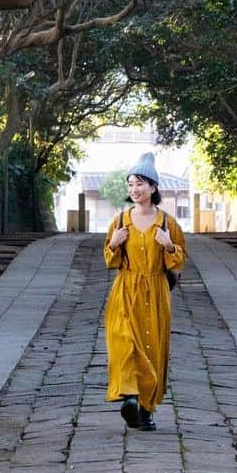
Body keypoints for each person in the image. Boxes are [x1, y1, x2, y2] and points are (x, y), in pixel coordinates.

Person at [102, 152, 186, 431]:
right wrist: (113, 244)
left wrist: (168, 245)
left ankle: (147, 410)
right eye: (130, 184)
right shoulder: (120, 221)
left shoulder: (167, 223)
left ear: (153, 187)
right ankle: (129, 397)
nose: (134, 190)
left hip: (155, 292)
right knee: (124, 342)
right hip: (125, 289)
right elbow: (110, 260)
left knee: (152, 347)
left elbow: (178, 260)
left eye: (140, 184)